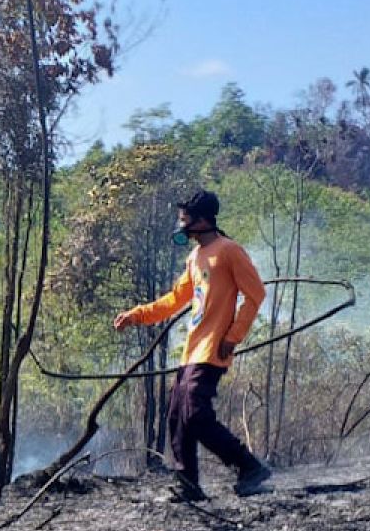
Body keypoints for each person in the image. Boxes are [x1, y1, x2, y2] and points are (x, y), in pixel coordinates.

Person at [114, 189, 272, 501]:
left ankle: (249, 466)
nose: (181, 225)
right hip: (193, 349)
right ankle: (188, 484)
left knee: (195, 413)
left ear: (202, 221)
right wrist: (136, 315)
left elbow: (256, 295)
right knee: (176, 413)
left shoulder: (229, 251)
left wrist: (233, 337)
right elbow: (174, 300)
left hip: (214, 348)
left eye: (185, 220)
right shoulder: (194, 258)